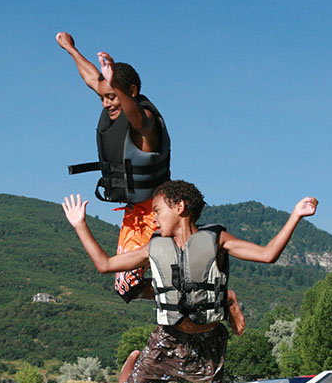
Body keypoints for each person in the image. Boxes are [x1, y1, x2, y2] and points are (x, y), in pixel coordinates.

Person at [62, 179, 318, 383]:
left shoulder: (217, 240)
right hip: (169, 338)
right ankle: (133, 358)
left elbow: (267, 254)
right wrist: (80, 224)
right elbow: (105, 264)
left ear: (180, 207)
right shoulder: (154, 246)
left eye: (158, 210)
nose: (154, 219)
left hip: (209, 342)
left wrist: (296, 215)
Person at [56, 33, 245, 333]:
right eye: (103, 97)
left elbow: (136, 118)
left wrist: (115, 85)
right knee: (125, 288)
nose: (106, 103)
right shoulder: (112, 101)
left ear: (129, 90)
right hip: (133, 213)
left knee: (167, 277)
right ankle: (216, 297)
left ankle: (223, 299)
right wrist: (70, 49)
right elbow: (93, 78)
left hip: (157, 214)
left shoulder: (145, 123)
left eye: (113, 96)